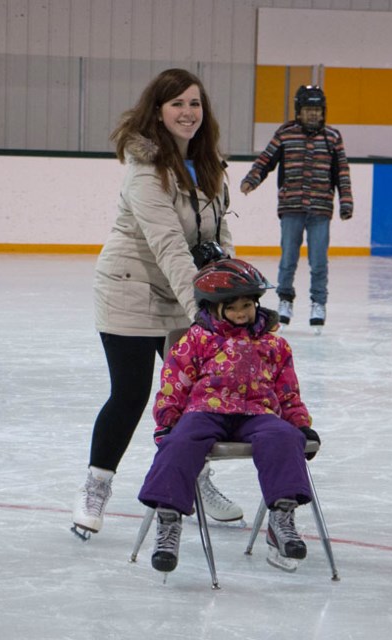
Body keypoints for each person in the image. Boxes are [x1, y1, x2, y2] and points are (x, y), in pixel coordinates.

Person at [72, 68, 243, 541]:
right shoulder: (145, 169)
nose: (188, 113)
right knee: (130, 395)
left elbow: (217, 234)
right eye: (177, 105)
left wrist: (228, 294)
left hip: (185, 290)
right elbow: (168, 244)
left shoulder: (210, 164)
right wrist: (203, 313)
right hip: (131, 288)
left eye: (195, 104)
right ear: (158, 111)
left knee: (196, 398)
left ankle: (197, 478)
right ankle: (95, 488)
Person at [137, 258, 322, 574]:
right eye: (233, 307)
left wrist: (300, 424)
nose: (241, 313)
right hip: (206, 410)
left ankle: (282, 519)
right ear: (213, 307)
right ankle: (168, 523)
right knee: (179, 443)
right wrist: (167, 421)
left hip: (257, 412)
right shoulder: (197, 339)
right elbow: (174, 383)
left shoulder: (273, 344)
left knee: (284, 437)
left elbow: (288, 390)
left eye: (247, 305)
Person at [240, 85, 354, 333]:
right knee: (288, 258)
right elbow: (265, 160)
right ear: (298, 112)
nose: (313, 115)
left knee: (319, 261)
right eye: (308, 110)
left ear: (323, 112)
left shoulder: (332, 137)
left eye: (317, 110)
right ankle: (285, 299)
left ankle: (318, 303)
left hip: (321, 209)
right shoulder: (286, 134)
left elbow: (342, 173)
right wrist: (252, 179)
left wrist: (346, 202)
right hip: (291, 207)